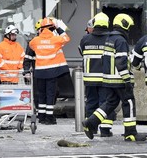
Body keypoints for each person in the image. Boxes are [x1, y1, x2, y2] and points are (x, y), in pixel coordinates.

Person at [82, 13, 146, 142]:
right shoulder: (121, 40)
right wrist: (127, 80)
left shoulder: (109, 39)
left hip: (108, 80)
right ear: (124, 24)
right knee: (128, 103)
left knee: (110, 103)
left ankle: (91, 123)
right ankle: (130, 133)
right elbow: (121, 62)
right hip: (119, 80)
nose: (128, 29)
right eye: (128, 26)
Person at [78, 12, 115, 137]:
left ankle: (91, 128)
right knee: (105, 103)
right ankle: (105, 130)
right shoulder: (111, 38)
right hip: (106, 78)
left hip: (89, 78)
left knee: (91, 102)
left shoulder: (85, 39)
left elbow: (81, 52)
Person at [29, 17, 70, 125]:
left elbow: (31, 45)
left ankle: (41, 117)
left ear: (41, 29)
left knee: (41, 94)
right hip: (52, 72)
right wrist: (58, 28)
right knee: (50, 94)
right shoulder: (56, 40)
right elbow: (66, 38)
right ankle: (49, 117)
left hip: (39, 72)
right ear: (52, 28)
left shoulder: (36, 41)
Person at [23, 19, 42, 109]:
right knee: (37, 92)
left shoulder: (51, 41)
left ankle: (46, 111)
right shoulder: (33, 43)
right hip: (37, 72)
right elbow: (27, 59)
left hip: (49, 72)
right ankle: (39, 110)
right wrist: (26, 72)